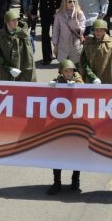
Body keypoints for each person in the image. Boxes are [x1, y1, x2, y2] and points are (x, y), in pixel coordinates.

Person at [47, 59, 84, 195]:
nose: (68, 73)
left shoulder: (79, 82)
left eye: (71, 71)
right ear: (61, 72)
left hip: (75, 124)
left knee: (76, 153)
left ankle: (76, 179)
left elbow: (86, 96)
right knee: (57, 154)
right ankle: (57, 182)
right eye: (66, 71)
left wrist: (76, 87)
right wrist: (51, 87)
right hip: (59, 124)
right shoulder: (57, 82)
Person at [0, 9, 36, 82]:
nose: (16, 22)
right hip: (6, 70)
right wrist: (9, 68)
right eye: (13, 20)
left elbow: (31, 51)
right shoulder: (1, 35)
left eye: (17, 20)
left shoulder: (24, 34)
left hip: (23, 68)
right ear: (7, 21)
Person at [80, 18, 112, 84]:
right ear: (93, 31)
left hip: (106, 80)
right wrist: (92, 76)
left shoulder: (110, 46)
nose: (98, 32)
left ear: (105, 31)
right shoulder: (88, 43)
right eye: (96, 30)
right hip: (90, 78)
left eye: (101, 30)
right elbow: (83, 61)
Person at [52, 0, 86, 64]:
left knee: (76, 69)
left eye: (74, 1)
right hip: (63, 46)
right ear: (65, 3)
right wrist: (55, 45)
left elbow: (82, 30)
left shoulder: (79, 14)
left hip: (75, 46)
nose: (72, 3)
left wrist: (78, 26)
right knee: (64, 70)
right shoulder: (59, 15)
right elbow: (55, 31)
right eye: (70, 1)